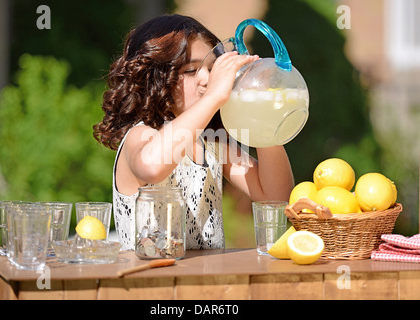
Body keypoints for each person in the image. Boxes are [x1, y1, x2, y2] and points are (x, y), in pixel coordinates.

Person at [93, 14, 294, 250]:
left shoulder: (213, 144)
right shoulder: (141, 136)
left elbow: (277, 199)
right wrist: (213, 97)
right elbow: (152, 167)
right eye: (190, 70)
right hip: (148, 283)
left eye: (212, 68)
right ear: (154, 78)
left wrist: (262, 119)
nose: (207, 79)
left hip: (207, 285)